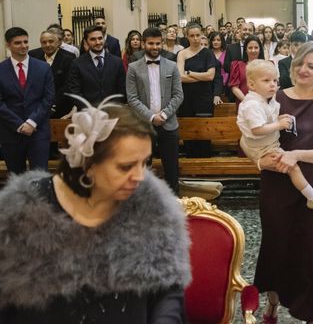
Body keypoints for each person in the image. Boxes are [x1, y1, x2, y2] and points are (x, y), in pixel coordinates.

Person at [0, 99, 191, 323]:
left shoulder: (152, 210)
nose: (140, 176)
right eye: (126, 166)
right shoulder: (22, 213)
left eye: (144, 162)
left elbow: (167, 290)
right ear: (88, 165)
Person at [254, 42, 313, 323]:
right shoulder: (274, 97)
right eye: (300, 63)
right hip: (277, 186)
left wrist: (297, 154)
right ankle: (273, 303)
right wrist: (258, 160)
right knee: (277, 245)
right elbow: (252, 136)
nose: (303, 69)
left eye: (311, 66)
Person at [237, 59, 313, 211]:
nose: (273, 84)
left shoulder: (266, 100)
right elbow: (255, 130)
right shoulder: (257, 102)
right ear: (251, 84)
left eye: (275, 80)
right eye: (267, 81)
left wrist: (277, 120)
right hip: (269, 157)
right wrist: (258, 159)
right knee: (293, 169)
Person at [127, 27, 184, 194]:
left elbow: (178, 95)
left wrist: (164, 114)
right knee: (143, 167)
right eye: (151, 43)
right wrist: (152, 117)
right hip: (144, 125)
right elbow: (132, 98)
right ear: (144, 44)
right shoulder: (134, 68)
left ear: (162, 44)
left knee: (172, 167)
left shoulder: (172, 66)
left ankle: (174, 203)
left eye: (158, 43)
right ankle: (144, 202)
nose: (155, 47)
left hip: (169, 124)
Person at [0, 27, 55, 174]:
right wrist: (18, 124)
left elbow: (48, 98)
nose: (24, 46)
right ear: (8, 45)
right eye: (18, 43)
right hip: (11, 133)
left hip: (38, 132)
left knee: (40, 177)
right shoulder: (1, 70)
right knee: (16, 178)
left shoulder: (43, 68)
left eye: (25, 42)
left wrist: (31, 122)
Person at [177, 23, 216, 157]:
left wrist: (190, 73)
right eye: (192, 36)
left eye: (198, 35)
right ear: (187, 36)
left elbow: (210, 76)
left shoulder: (208, 53)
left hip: (204, 99)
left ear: (202, 35)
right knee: (189, 131)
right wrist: (201, 77)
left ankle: (205, 164)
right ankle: (190, 164)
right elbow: (180, 77)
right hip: (186, 99)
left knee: (204, 131)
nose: (195, 38)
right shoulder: (182, 53)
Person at [66, 25, 127, 106]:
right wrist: (90, 109)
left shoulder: (117, 62)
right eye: (93, 39)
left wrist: (112, 107)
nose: (98, 42)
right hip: (88, 113)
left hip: (113, 112)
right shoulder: (77, 63)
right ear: (86, 41)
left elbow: (122, 89)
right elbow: (74, 91)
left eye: (100, 38)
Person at [29, 29, 75, 118]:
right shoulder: (33, 55)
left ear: (58, 43)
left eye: (51, 41)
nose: (48, 45)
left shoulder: (69, 58)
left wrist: (52, 103)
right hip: (38, 107)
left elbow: (68, 84)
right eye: (44, 42)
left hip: (61, 107)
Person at [229, 35, 264, 102]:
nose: (253, 50)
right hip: (244, 103)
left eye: (256, 47)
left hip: (263, 103)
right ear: (245, 50)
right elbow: (234, 88)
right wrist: (247, 101)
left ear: (260, 49)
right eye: (250, 48)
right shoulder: (238, 65)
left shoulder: (266, 65)